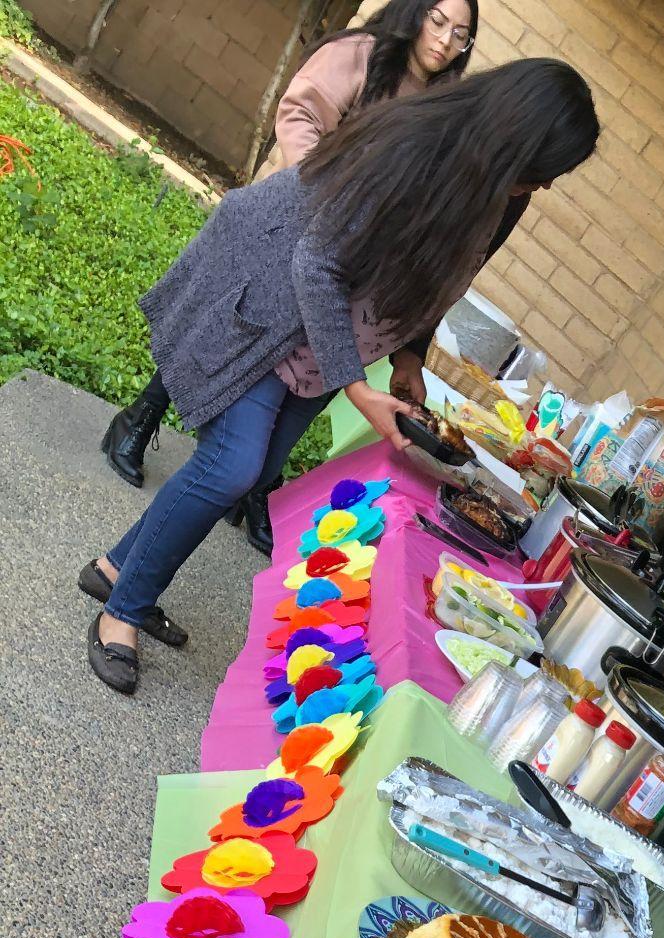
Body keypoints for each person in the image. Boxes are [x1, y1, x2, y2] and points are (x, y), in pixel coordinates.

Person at [82, 57, 599, 696]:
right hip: (274, 301)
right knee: (231, 466)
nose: (540, 186)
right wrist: (357, 387)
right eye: (543, 169)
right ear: (515, 138)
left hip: (328, 334)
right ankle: (123, 610)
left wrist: (409, 354)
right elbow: (318, 262)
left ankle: (117, 570)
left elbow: (445, 277)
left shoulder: (497, 192)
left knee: (256, 470)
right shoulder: (413, 147)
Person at [99, 0, 479, 555]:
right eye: (438, 21)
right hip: (283, 227)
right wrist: (324, 196)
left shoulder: (443, 107)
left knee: (275, 363)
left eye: (460, 34)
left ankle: (251, 482)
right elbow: (299, 114)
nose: (444, 40)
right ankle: (140, 416)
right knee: (219, 333)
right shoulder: (362, 54)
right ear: (415, 13)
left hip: (341, 260)